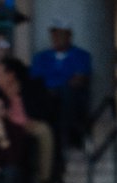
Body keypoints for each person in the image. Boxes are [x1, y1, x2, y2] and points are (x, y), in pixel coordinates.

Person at [30, 20, 91, 148]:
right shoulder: (41, 57)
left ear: (69, 35)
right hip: (46, 97)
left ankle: (70, 137)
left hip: (69, 98)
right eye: (54, 34)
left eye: (60, 34)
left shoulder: (81, 55)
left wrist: (55, 86)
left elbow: (79, 79)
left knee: (67, 93)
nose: (56, 38)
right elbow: (36, 79)